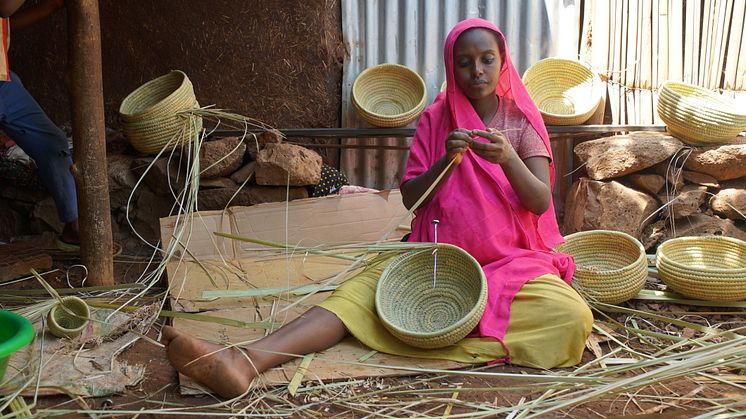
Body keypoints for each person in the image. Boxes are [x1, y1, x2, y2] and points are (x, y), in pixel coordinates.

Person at [162, 18, 593, 399]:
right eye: (464, 61)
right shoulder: (436, 119)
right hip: (435, 255)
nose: (476, 70)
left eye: (486, 59)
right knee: (352, 298)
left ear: (503, 62)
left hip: (510, 260)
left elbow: (539, 201)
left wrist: (508, 159)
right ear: (451, 66)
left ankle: (429, 334)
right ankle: (244, 362)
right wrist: (446, 160)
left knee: (570, 317)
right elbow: (411, 198)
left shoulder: (521, 119)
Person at [0, 0, 79, 245]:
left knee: (52, 143)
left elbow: (6, 21)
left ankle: (73, 224)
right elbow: (4, 8)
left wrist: (52, 6)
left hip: (3, 83)